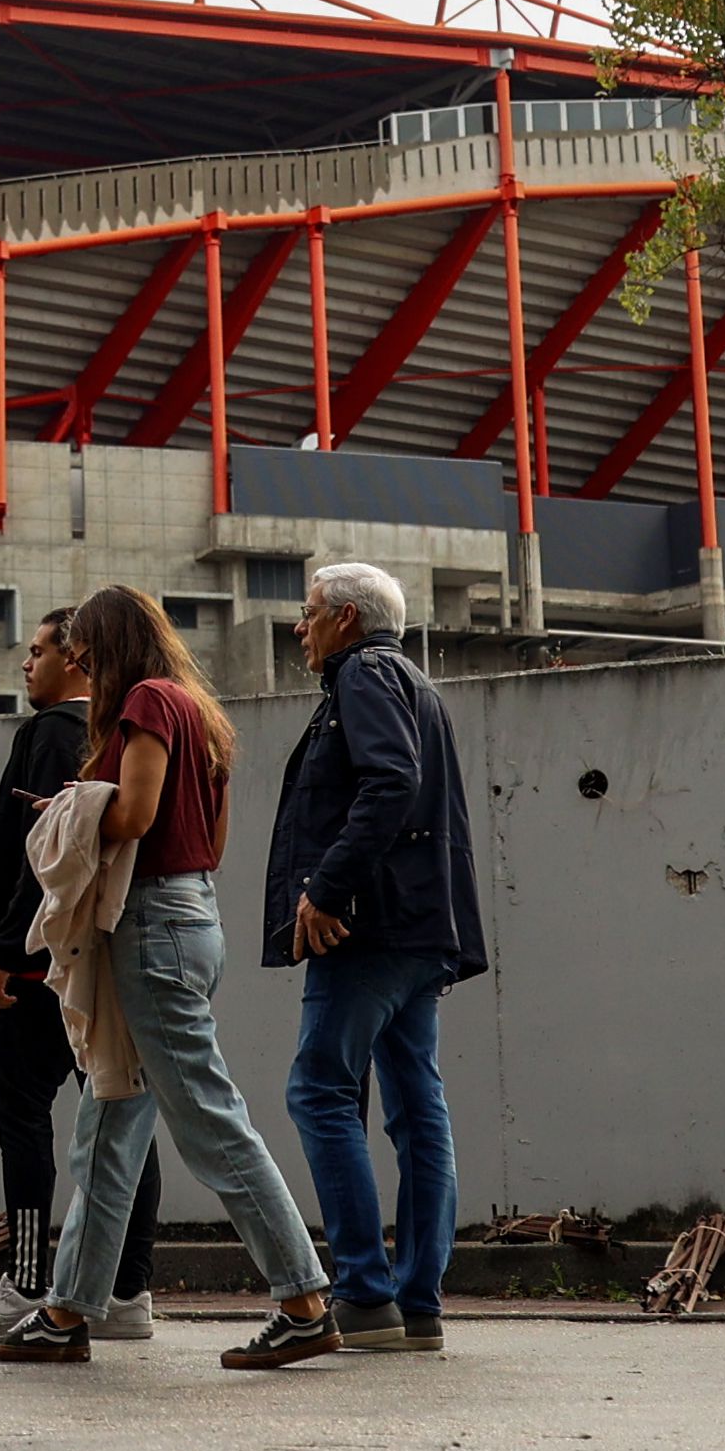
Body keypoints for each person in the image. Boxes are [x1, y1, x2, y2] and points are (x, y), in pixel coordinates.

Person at [0, 585, 345, 1369]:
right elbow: (210, 837)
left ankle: (305, 1297)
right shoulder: (197, 711)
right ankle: (68, 1310)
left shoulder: (146, 701)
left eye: (84, 654)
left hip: (150, 927)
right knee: (108, 1127)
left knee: (211, 1121)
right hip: (188, 916)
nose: (79, 667)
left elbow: (137, 815)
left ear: (111, 647)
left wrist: (69, 811)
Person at [266, 562, 484, 1356]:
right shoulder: (414, 682)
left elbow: (391, 782)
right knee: (416, 1105)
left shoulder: (362, 675)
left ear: (347, 619)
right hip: (424, 929)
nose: (301, 626)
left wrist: (326, 889)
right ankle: (416, 1300)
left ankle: (362, 1291)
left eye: (310, 612)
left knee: (320, 1089)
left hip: (370, 929)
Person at [0, 615, 162, 1340]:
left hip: (42, 961)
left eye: (38, 650)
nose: (26, 664)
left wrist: (9, 950)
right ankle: (129, 1289)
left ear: (76, 660)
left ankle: (30, 1279)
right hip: (97, 949)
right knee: (119, 1108)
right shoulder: (115, 734)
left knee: (21, 1109)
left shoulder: (46, 736)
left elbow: (41, 856)